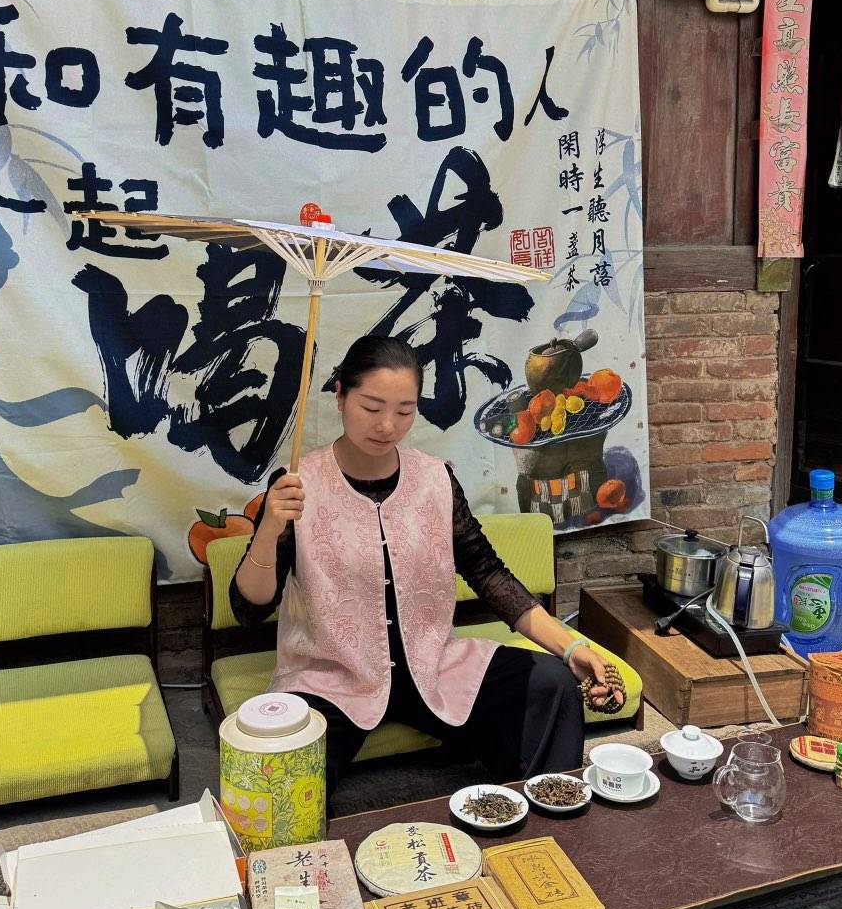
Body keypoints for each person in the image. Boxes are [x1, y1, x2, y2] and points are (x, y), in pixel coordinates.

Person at [232, 334, 624, 798]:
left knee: (550, 684)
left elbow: (488, 573)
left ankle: (543, 815)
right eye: (371, 407)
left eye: (404, 411)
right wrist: (268, 528)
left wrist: (572, 647)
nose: (387, 425)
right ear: (340, 396)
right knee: (283, 777)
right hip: (332, 679)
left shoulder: (435, 479)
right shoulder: (298, 485)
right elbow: (250, 607)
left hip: (433, 666)